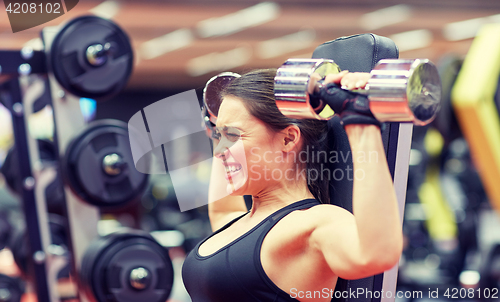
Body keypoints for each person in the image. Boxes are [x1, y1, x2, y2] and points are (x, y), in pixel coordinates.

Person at [182, 68, 403, 302]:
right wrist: (219, 121)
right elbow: (223, 211)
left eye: (233, 135)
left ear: (288, 139)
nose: (217, 152)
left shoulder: (315, 224)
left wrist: (360, 120)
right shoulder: (242, 224)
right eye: (219, 136)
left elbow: (377, 254)